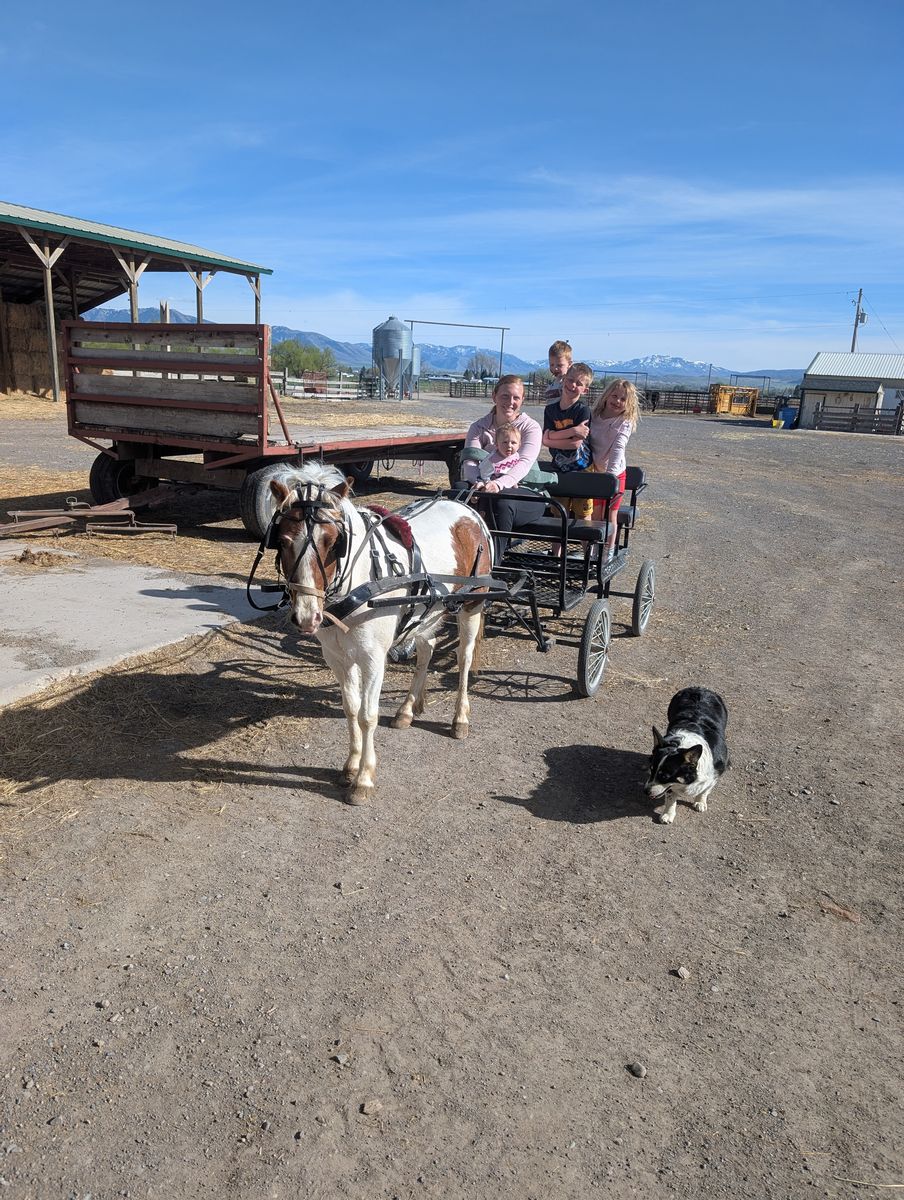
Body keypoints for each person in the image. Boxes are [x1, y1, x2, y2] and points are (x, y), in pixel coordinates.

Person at [462, 375, 543, 552]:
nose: (510, 402)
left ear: (522, 400)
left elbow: (523, 464)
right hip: (484, 485)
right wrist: (479, 483)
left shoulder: (530, 428)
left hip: (525, 490)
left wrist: (498, 484)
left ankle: (494, 564)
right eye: (505, 396)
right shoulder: (479, 427)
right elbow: (470, 461)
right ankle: (461, 558)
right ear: (494, 396)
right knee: (459, 492)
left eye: (516, 397)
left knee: (502, 501)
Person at [588, 378, 641, 557]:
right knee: (595, 515)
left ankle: (608, 551)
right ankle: (594, 551)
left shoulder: (624, 422)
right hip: (595, 473)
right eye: (615, 396)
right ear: (606, 396)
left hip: (614, 476)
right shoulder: (594, 416)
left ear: (628, 404)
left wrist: (609, 478)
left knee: (611, 514)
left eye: (623, 399)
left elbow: (618, 448)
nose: (617, 401)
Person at [542, 362, 594, 519]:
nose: (572, 385)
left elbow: (575, 444)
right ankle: (557, 545)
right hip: (559, 466)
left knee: (583, 514)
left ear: (585, 390)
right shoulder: (551, 410)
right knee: (558, 512)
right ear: (564, 379)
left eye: (579, 383)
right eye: (570, 380)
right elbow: (545, 438)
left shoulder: (582, 411)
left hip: (582, 467)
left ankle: (587, 544)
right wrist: (572, 431)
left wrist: (551, 439)